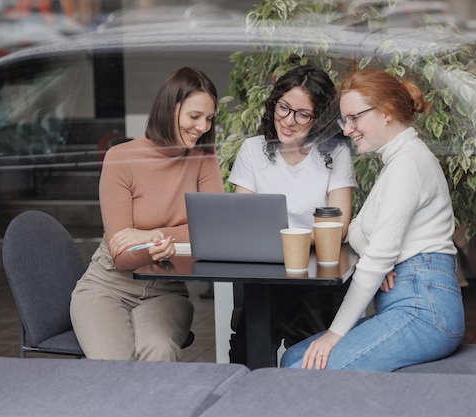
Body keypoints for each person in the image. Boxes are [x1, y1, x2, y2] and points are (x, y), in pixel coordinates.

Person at [280, 68, 465, 372]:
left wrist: (333, 335)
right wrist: (376, 254)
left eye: (355, 118)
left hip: (424, 311)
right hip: (409, 303)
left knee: (301, 369)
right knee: (292, 359)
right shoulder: (396, 163)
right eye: (345, 120)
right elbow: (354, 230)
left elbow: (376, 260)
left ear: (387, 113)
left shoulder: (407, 164)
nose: (348, 129)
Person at [70, 67, 224, 361]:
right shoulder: (121, 158)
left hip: (167, 289)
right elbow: (122, 254)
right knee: (114, 363)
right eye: (195, 116)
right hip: (108, 285)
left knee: (158, 349)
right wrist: (172, 234)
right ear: (169, 108)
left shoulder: (203, 159)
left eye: (209, 118)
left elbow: (214, 232)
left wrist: (145, 236)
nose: (203, 126)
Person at [227, 64, 357, 363]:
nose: (288, 120)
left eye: (302, 114)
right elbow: (244, 221)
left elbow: (339, 227)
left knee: (311, 358)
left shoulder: (335, 153)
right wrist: (303, 238)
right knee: (248, 352)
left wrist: (288, 242)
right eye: (283, 108)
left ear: (319, 119)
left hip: (319, 273)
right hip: (267, 272)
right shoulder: (252, 150)